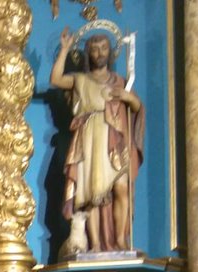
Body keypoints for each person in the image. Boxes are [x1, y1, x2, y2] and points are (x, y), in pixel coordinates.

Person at [50, 28, 144, 256]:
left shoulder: (120, 82)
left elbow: (136, 108)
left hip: (115, 139)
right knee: (92, 194)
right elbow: (56, 79)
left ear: (110, 52)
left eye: (103, 48)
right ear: (88, 53)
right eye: (94, 49)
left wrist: (129, 97)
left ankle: (120, 239)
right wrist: (64, 50)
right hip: (90, 138)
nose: (99, 53)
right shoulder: (81, 80)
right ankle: (95, 245)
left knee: (122, 187)